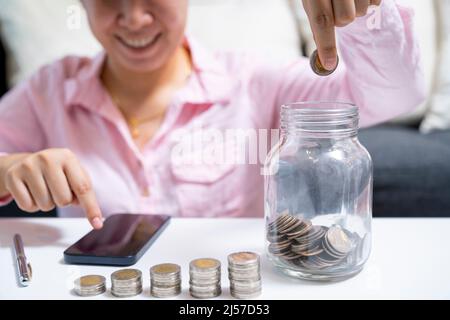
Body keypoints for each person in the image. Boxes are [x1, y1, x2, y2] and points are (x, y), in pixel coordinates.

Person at [0, 0, 425, 229]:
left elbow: (393, 95)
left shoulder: (257, 80)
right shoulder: (48, 90)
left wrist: (365, 15)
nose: (134, 18)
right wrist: (8, 169)